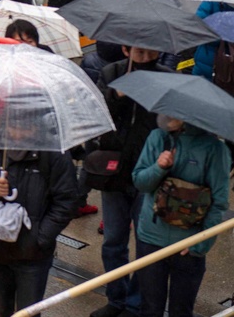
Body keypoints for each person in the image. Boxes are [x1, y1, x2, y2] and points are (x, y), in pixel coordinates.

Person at [82, 46, 172, 317]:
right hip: (115, 171)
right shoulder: (112, 72)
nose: (144, 57)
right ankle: (116, 298)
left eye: (150, 52)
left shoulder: (165, 77)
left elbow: (171, 123)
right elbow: (96, 113)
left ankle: (135, 304)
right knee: (113, 241)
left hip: (150, 173)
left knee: (146, 244)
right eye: (139, 52)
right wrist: (116, 95)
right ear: (126, 49)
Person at [131, 115, 230, 317]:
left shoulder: (215, 150)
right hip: (151, 239)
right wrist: (159, 167)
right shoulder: (158, 138)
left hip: (189, 246)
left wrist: (200, 245)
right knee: (149, 308)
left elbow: (218, 203)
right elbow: (140, 182)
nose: (166, 115)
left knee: (181, 310)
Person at [0, 129, 78, 317]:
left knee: (28, 313)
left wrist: (39, 238)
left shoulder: (53, 153)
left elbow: (67, 201)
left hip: (32, 256)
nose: (15, 128)